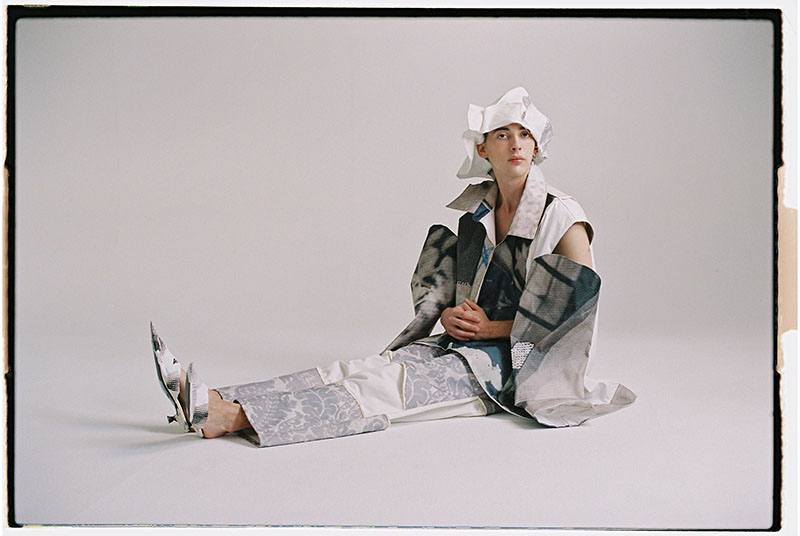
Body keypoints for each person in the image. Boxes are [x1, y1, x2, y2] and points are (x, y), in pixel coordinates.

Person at [151, 87, 635, 448]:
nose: (515, 143)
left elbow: (573, 324)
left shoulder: (563, 217)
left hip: (520, 364)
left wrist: (491, 328)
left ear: (537, 146)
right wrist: (451, 315)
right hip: (467, 344)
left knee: (390, 388)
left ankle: (234, 418)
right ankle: (216, 398)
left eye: (525, 134)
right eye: (502, 133)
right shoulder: (478, 214)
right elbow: (462, 298)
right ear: (482, 148)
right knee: (365, 367)